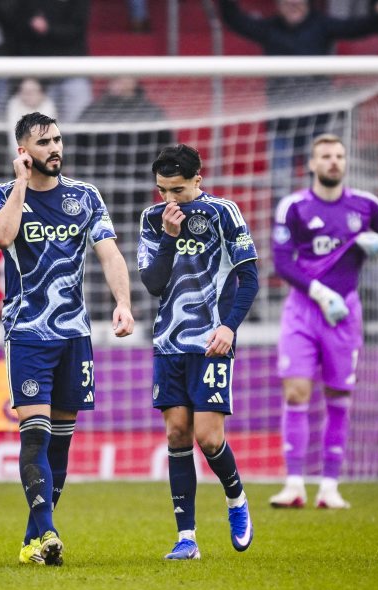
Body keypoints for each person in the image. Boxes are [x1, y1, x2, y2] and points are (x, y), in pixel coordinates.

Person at [0, 112, 135, 566]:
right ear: (23, 151)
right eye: (44, 142)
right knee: (35, 436)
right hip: (27, 333)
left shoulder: (84, 196)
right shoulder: (0, 196)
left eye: (58, 139)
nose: (55, 148)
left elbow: (110, 254)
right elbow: (0, 237)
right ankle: (48, 531)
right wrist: (21, 185)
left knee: (61, 444)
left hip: (74, 335)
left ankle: (34, 541)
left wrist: (123, 303)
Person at [270, 134, 378, 509]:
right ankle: (294, 484)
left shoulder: (366, 205)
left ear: (346, 162)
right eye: (326, 156)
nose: (333, 161)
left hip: (344, 312)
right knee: (296, 391)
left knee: (338, 397)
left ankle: (330, 487)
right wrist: (318, 292)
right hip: (303, 309)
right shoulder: (294, 207)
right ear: (312, 164)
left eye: (339, 156)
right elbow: (281, 262)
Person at [137, 144, 258, 560]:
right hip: (168, 342)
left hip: (211, 341)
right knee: (176, 434)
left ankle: (236, 499)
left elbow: (249, 278)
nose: (169, 199)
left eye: (178, 190)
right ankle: (186, 538)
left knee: (208, 438)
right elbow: (153, 284)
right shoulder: (152, 219)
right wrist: (169, 239)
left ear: (197, 181)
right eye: (162, 190)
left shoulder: (224, 213)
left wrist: (229, 326)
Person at [218, 0, 378, 197]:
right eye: (287, 3)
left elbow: (354, 28)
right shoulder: (270, 29)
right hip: (281, 125)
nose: (293, 6)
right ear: (278, 5)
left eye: (298, 3)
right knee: (281, 185)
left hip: (317, 124)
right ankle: (284, 217)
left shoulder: (321, 25)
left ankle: (319, 216)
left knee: (320, 184)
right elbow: (237, 21)